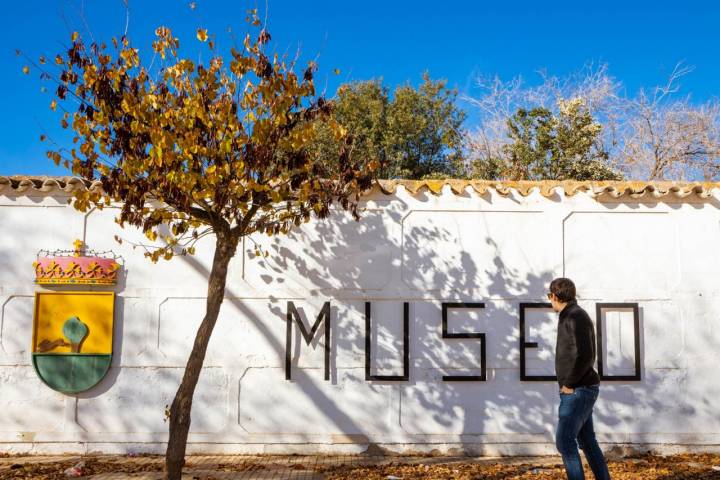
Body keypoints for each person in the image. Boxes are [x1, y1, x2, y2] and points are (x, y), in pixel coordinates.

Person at [548, 277, 611, 480]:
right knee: (587, 442)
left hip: (578, 390)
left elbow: (586, 355)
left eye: (550, 296)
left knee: (565, 442)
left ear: (555, 296)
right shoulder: (571, 315)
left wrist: (569, 383)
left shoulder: (575, 316)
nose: (550, 301)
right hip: (579, 389)